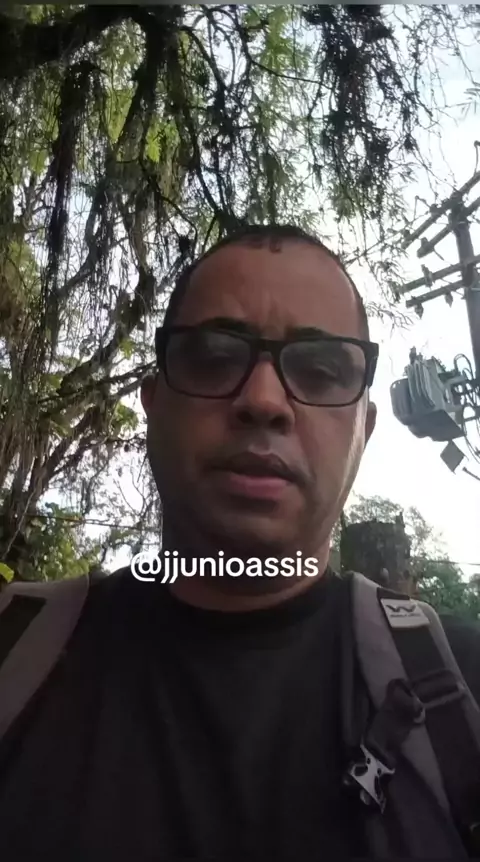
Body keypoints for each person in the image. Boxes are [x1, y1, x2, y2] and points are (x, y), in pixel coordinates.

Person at [0, 223, 479, 860]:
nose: (263, 400)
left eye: (321, 369)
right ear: (153, 404)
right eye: (213, 357)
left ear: (363, 430)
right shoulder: (14, 653)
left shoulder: (465, 692)